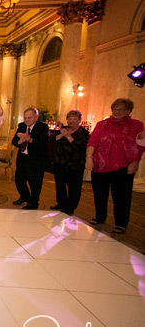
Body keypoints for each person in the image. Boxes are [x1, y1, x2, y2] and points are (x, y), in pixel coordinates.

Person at [86, 98, 144, 234]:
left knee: (122, 196)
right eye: (115, 110)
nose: (117, 112)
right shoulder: (102, 124)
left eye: (121, 110)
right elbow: (92, 141)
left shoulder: (136, 125)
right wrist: (89, 158)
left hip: (123, 166)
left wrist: (135, 161)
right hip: (101, 164)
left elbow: (140, 145)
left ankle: (121, 223)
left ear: (129, 110)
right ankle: (100, 217)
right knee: (100, 194)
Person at [51, 110, 89, 215]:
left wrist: (68, 136)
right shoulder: (64, 129)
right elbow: (53, 140)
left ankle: (70, 207)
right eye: (69, 119)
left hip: (75, 165)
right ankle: (61, 203)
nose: (71, 121)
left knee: (74, 187)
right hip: (60, 163)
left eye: (74, 119)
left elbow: (80, 146)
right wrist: (62, 135)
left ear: (79, 120)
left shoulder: (83, 133)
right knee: (60, 185)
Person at [11, 107, 49, 210]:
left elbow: (42, 144)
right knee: (19, 181)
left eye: (29, 117)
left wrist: (29, 139)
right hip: (23, 159)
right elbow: (14, 141)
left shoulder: (43, 127)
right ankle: (25, 197)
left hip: (36, 161)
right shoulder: (22, 126)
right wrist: (21, 140)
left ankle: (34, 202)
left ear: (36, 117)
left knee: (35, 184)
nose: (27, 120)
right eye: (25, 117)